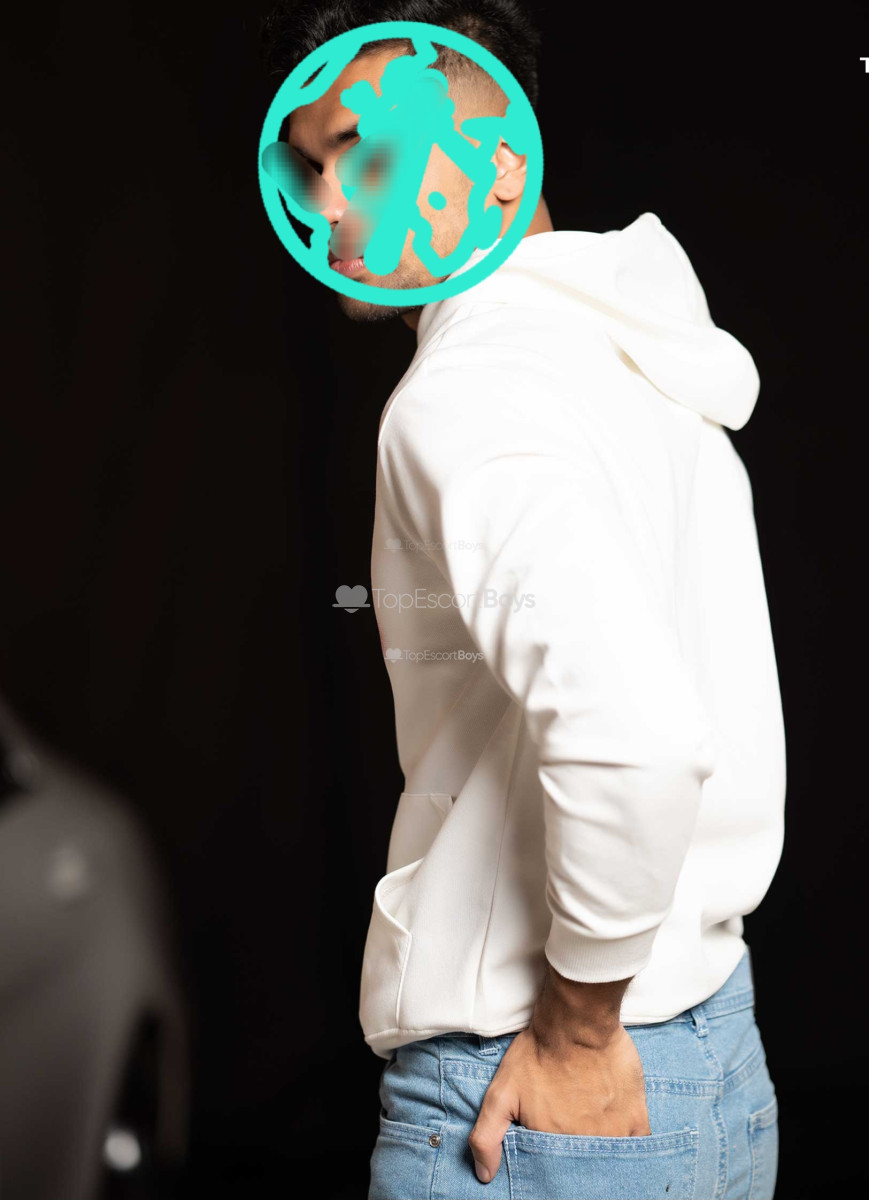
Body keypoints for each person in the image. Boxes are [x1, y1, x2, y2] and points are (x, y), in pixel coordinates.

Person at [261, 3, 786, 1197]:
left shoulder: (467, 392)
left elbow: (634, 734)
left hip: (542, 1080)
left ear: (502, 162)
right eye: (309, 167)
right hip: (708, 1049)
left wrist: (578, 1032)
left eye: (368, 152)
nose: (330, 201)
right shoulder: (633, 353)